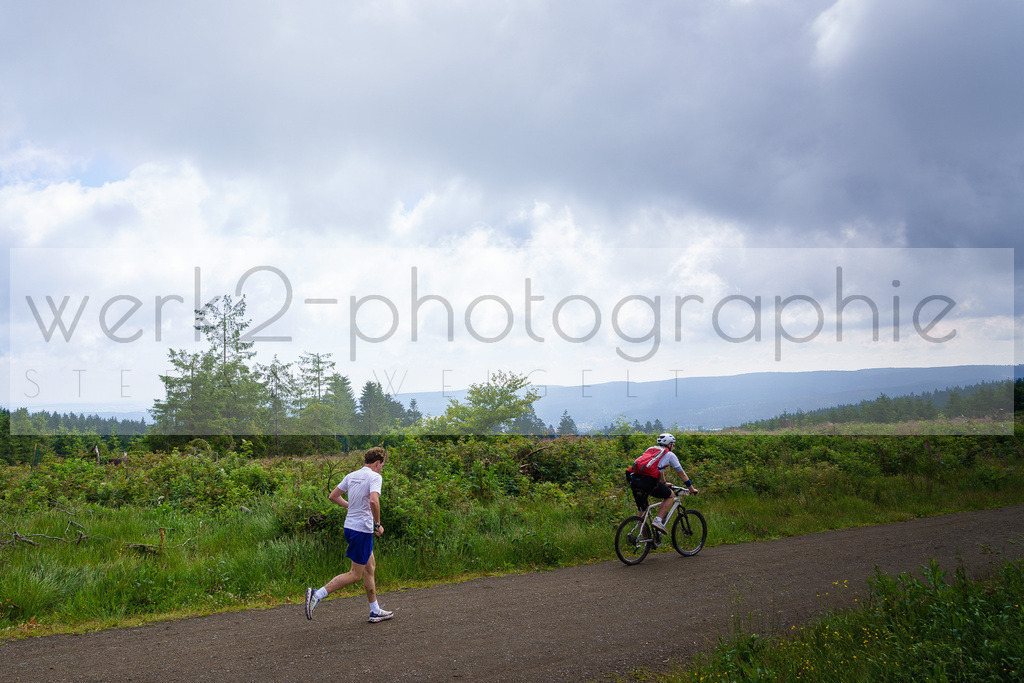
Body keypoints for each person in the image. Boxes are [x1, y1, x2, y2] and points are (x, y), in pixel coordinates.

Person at [305, 446, 394, 623]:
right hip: (362, 529)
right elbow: (374, 501)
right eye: (382, 464)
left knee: (370, 567)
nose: (382, 467)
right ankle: (317, 594)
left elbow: (333, 496)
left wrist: (351, 506)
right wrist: (378, 524)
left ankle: (375, 610)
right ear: (378, 462)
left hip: (351, 527)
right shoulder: (375, 476)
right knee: (355, 574)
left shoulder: (352, 475)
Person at [626, 433, 698, 533]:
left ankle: (647, 543)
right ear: (669, 444)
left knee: (642, 515)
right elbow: (682, 474)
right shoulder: (669, 455)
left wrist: (663, 482)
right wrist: (691, 489)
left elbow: (658, 469)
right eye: (673, 444)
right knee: (670, 495)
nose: (673, 447)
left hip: (634, 481)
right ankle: (658, 520)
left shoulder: (652, 450)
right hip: (648, 482)